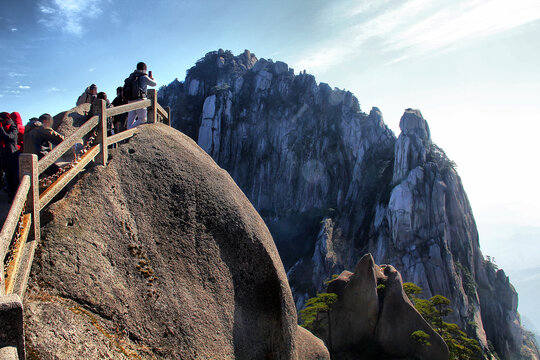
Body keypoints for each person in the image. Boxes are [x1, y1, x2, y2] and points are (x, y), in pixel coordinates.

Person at [126, 62, 156, 129]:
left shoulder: (131, 76)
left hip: (130, 100)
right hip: (140, 100)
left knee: (130, 120)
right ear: (145, 69)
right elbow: (154, 84)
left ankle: (128, 131)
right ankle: (130, 130)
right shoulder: (144, 77)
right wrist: (152, 78)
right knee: (142, 119)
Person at [0, 112, 20, 200]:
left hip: (12, 155)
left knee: (13, 178)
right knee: (8, 177)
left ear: (7, 118)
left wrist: (0, 128)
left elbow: (9, 138)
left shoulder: (13, 127)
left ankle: (15, 198)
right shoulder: (3, 127)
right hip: (4, 156)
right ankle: (10, 197)